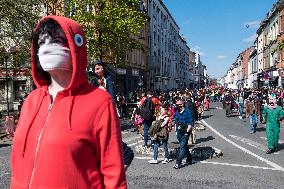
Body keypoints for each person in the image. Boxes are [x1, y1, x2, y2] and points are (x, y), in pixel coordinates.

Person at [6, 16, 127, 188]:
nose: (47, 47)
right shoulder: (31, 100)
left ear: (75, 45)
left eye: (56, 40)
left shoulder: (100, 102)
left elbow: (113, 174)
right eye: (42, 42)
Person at [173, 99, 194, 169]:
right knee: (184, 146)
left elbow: (190, 123)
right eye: (176, 104)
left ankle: (178, 163)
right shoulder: (177, 112)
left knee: (182, 147)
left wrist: (187, 133)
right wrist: (175, 131)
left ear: (182, 104)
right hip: (179, 132)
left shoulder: (188, 112)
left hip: (185, 132)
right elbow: (175, 121)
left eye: (178, 105)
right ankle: (189, 159)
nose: (177, 106)